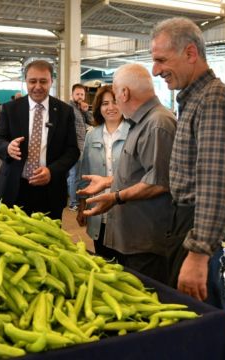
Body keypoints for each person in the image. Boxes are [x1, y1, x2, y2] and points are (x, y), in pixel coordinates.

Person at [150, 17, 225, 309]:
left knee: (202, 328)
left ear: (190, 53)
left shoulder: (213, 101)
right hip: (207, 233)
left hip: (217, 242)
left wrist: (198, 254)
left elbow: (216, 185)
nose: (155, 70)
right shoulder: (196, 100)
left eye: (161, 60)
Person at [77, 64, 177, 284]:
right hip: (131, 237)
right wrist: (110, 181)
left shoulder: (157, 124)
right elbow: (141, 172)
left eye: (116, 93)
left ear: (124, 93)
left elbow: (159, 182)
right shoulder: (142, 122)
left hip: (146, 240)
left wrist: (115, 196)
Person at [0, 60, 79, 220]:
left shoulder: (64, 111)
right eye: (32, 81)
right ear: (26, 81)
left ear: (51, 81)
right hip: (15, 189)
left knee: (48, 242)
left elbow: (72, 151)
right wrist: (7, 148)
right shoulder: (11, 108)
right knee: (11, 240)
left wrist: (51, 171)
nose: (37, 86)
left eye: (43, 81)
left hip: (50, 191)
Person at [75, 85, 129, 260]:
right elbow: (84, 172)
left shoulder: (134, 132)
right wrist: (81, 206)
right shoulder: (92, 135)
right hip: (98, 211)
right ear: (98, 107)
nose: (111, 107)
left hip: (125, 212)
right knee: (103, 261)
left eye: (115, 102)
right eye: (105, 103)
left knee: (126, 267)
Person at [66, 84, 91, 211]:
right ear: (72, 95)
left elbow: (92, 122)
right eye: (77, 94)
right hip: (73, 147)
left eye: (82, 94)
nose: (80, 97)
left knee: (80, 175)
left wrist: (85, 111)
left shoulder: (81, 109)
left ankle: (76, 199)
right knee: (74, 175)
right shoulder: (68, 108)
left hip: (83, 145)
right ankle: (73, 203)